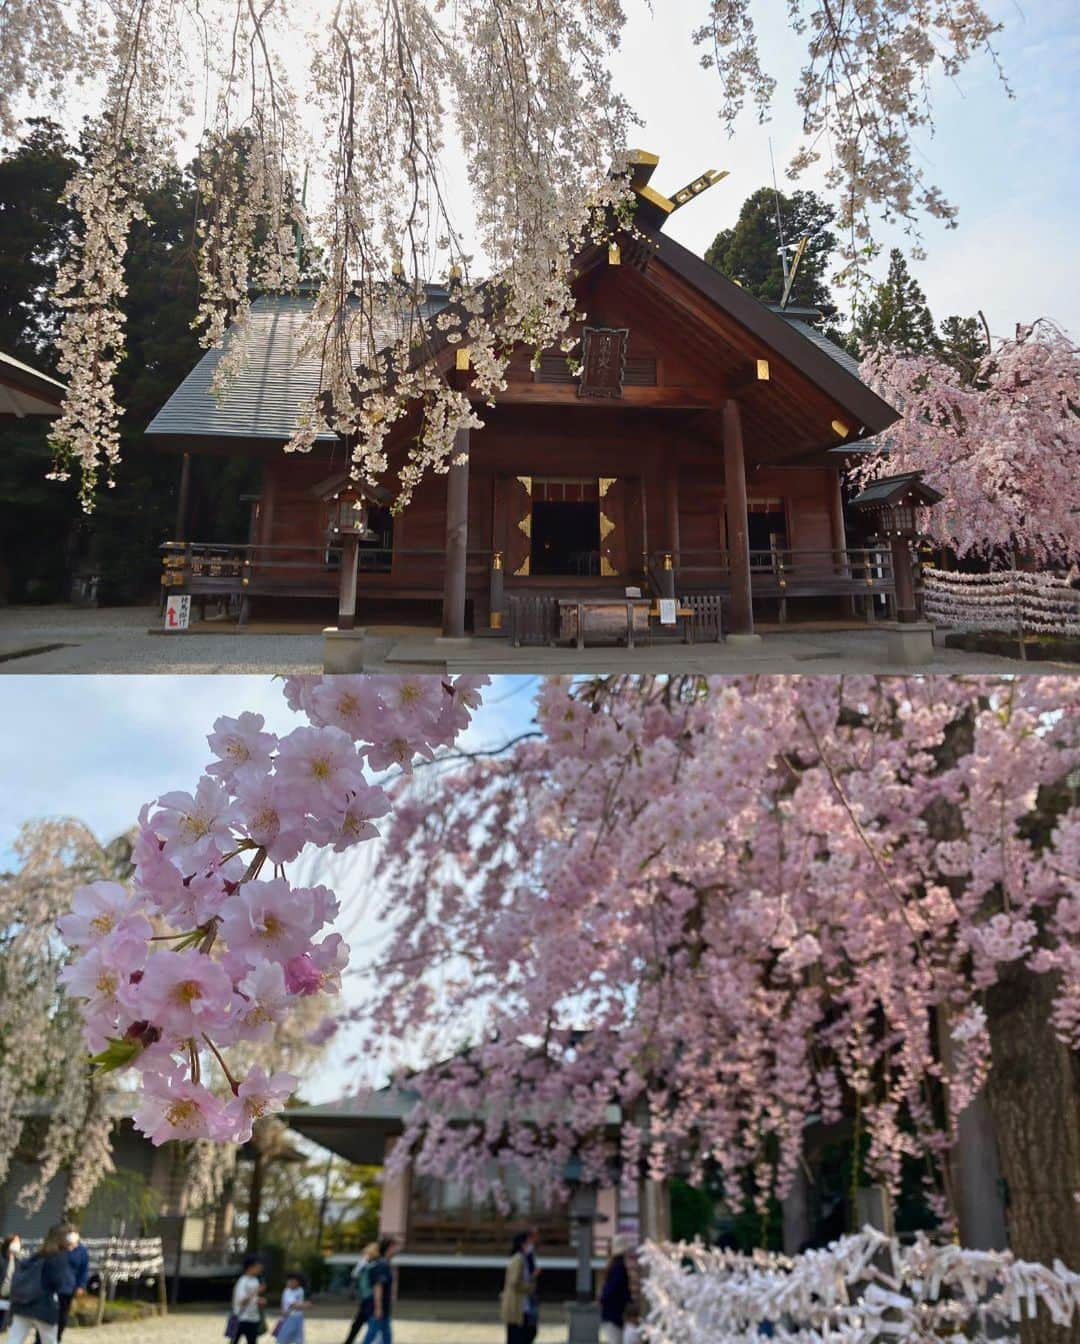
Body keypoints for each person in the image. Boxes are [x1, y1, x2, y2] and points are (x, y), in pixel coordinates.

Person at [5, 1224, 76, 1344]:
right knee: (49, 1341)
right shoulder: (59, 1257)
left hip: (23, 1303)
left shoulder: (37, 1254)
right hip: (44, 1306)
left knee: (14, 1340)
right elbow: (60, 1283)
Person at [499, 1231, 538, 1344]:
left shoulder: (524, 1259)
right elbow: (514, 1282)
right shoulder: (519, 1259)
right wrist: (529, 1287)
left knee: (525, 1333)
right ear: (523, 1244)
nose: (531, 1245)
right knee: (519, 1336)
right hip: (518, 1306)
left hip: (522, 1305)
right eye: (529, 1242)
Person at [361, 1237, 399, 1344]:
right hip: (377, 1309)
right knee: (371, 1336)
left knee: (386, 1337)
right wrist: (378, 1308)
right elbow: (378, 1287)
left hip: (383, 1309)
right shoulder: (382, 1265)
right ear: (389, 1247)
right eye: (395, 1247)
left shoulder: (383, 1263)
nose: (397, 1250)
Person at [599, 1235, 636, 1344]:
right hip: (615, 1313)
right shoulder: (619, 1267)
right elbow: (615, 1289)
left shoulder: (614, 1265)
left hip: (610, 1313)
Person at [342, 1242, 378, 1344]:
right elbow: (354, 1274)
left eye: (368, 1253)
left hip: (371, 1297)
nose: (365, 1256)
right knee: (360, 1322)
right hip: (366, 1297)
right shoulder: (364, 1263)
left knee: (369, 1322)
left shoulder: (376, 1264)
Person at [57, 1225, 89, 1341]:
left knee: (63, 1316)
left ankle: (57, 1338)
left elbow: (84, 1270)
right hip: (53, 1286)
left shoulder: (81, 1251)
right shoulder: (58, 1248)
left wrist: (81, 1286)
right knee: (49, 1314)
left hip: (69, 1288)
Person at [230, 1253, 266, 1344]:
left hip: (254, 1319)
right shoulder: (242, 1281)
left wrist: (260, 1301)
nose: (260, 1268)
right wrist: (256, 1292)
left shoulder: (255, 1280)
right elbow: (242, 1302)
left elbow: (253, 1299)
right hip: (241, 1319)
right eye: (258, 1266)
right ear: (250, 1267)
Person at [275, 1271, 307, 1344]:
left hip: (298, 1317)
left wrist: (303, 1305)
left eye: (293, 1281)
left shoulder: (300, 1290)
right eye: (289, 1281)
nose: (290, 1283)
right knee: (283, 1338)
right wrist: (305, 1305)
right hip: (288, 1317)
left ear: (299, 1283)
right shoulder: (287, 1291)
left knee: (298, 1338)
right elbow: (293, 1304)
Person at [0, 1234, 23, 1332]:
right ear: (8, 1243)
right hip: (1, 1292)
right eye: (15, 1242)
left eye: (18, 1242)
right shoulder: (1, 1259)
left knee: (3, 1326)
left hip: (11, 1295)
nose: (17, 1244)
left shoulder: (19, 1261)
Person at [521, 1227, 540, 1344]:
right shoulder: (526, 1253)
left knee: (532, 1321)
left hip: (531, 1290)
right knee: (530, 1322)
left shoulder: (530, 1251)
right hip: (528, 1291)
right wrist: (534, 1274)